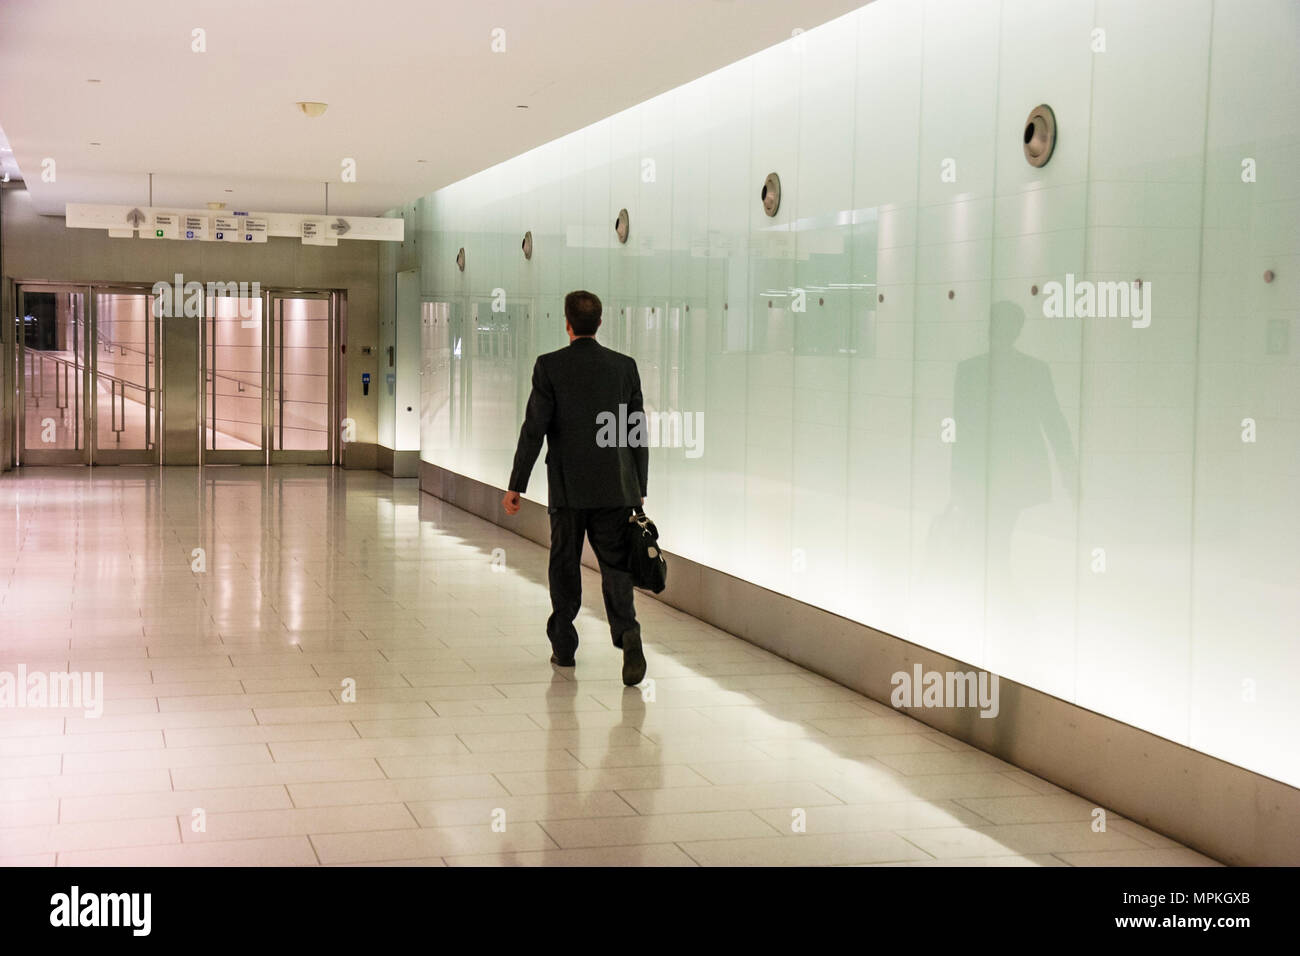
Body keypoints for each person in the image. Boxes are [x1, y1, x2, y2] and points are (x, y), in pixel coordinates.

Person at [502, 290, 648, 686]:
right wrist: (638, 489)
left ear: (567, 324)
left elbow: (535, 429)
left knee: (564, 563)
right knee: (615, 566)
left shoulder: (550, 367)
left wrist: (517, 485)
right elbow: (636, 432)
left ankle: (564, 645)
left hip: (567, 489)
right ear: (599, 323)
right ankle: (628, 634)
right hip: (615, 489)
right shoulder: (624, 368)